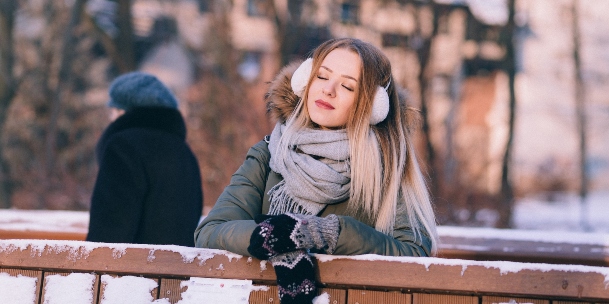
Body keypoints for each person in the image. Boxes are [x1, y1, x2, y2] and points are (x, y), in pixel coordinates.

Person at [194, 38, 438, 304]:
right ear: (305, 82)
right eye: (321, 76)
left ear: (372, 107)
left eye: (347, 86)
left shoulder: (388, 167)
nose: (328, 90)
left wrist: (326, 233)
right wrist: (275, 239)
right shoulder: (269, 152)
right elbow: (210, 232)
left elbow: (415, 254)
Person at [87, 72, 203, 247]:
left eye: (112, 111)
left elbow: (108, 232)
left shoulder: (123, 147)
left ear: (122, 112)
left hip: (130, 272)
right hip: (180, 271)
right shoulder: (184, 152)